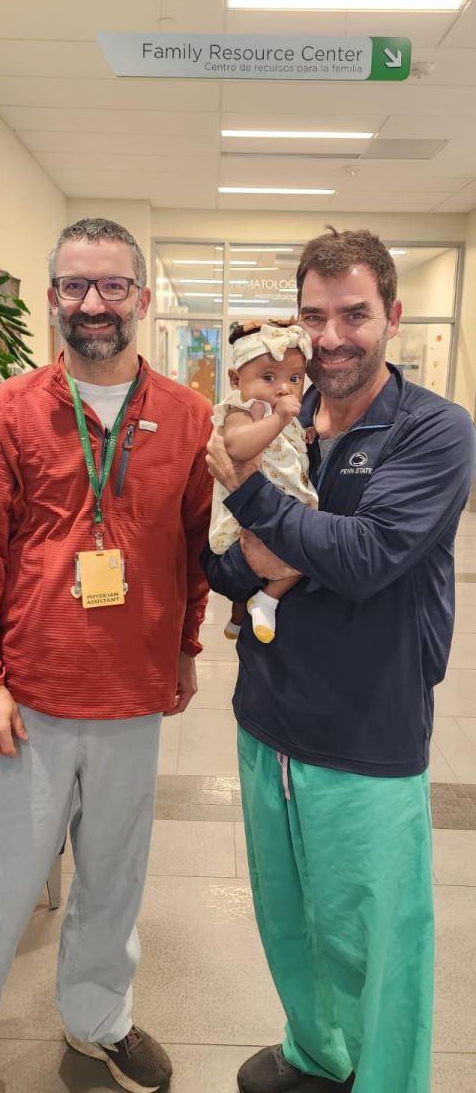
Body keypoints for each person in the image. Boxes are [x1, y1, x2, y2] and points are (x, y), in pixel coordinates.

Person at [0, 218, 212, 1093]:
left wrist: (186, 649)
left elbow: (192, 551)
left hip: (131, 698)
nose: (93, 304)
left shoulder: (188, 415)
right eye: (75, 287)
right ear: (51, 298)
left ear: (142, 300)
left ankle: (99, 1021)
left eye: (112, 286)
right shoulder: (6, 413)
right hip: (29, 701)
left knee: (114, 879)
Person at [203, 227, 475, 1093]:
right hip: (267, 718)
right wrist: (272, 550)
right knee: (289, 921)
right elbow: (212, 564)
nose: (331, 336)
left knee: (376, 943)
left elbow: (366, 558)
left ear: (390, 317)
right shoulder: (277, 420)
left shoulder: (435, 431)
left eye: (354, 313)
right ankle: (318, 1053)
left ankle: (388, 1080)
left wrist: (253, 505)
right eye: (314, 315)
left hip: (367, 731)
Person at [209, 318, 317, 643]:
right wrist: (282, 418)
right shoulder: (244, 410)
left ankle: (240, 615)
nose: (284, 387)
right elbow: (238, 446)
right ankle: (265, 601)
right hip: (248, 516)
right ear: (235, 380)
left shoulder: (282, 413)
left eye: (295, 378)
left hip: (276, 508)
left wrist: (302, 432)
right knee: (304, 556)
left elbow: (284, 444)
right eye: (269, 377)